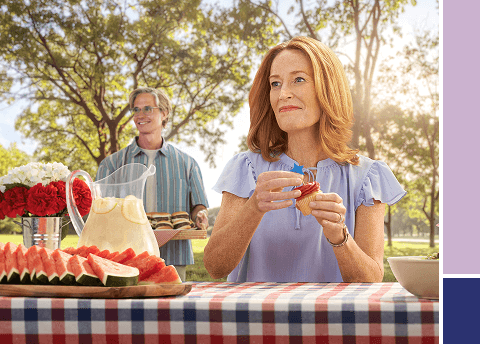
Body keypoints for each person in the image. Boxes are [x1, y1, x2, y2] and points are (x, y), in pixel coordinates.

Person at [204, 37, 406, 283]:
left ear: (328, 89)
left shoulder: (367, 176)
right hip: (257, 319)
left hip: (333, 321)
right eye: (275, 83)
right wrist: (254, 207)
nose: (283, 94)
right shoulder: (246, 168)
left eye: (298, 80)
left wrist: (339, 236)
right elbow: (215, 268)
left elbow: (371, 280)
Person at [96, 87, 209, 281]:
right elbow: (101, 215)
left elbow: (197, 206)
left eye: (148, 108)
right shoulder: (111, 164)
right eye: (136, 110)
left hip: (174, 257)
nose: (141, 115)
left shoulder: (187, 163)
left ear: (164, 113)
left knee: (171, 310)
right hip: (125, 257)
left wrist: (200, 215)